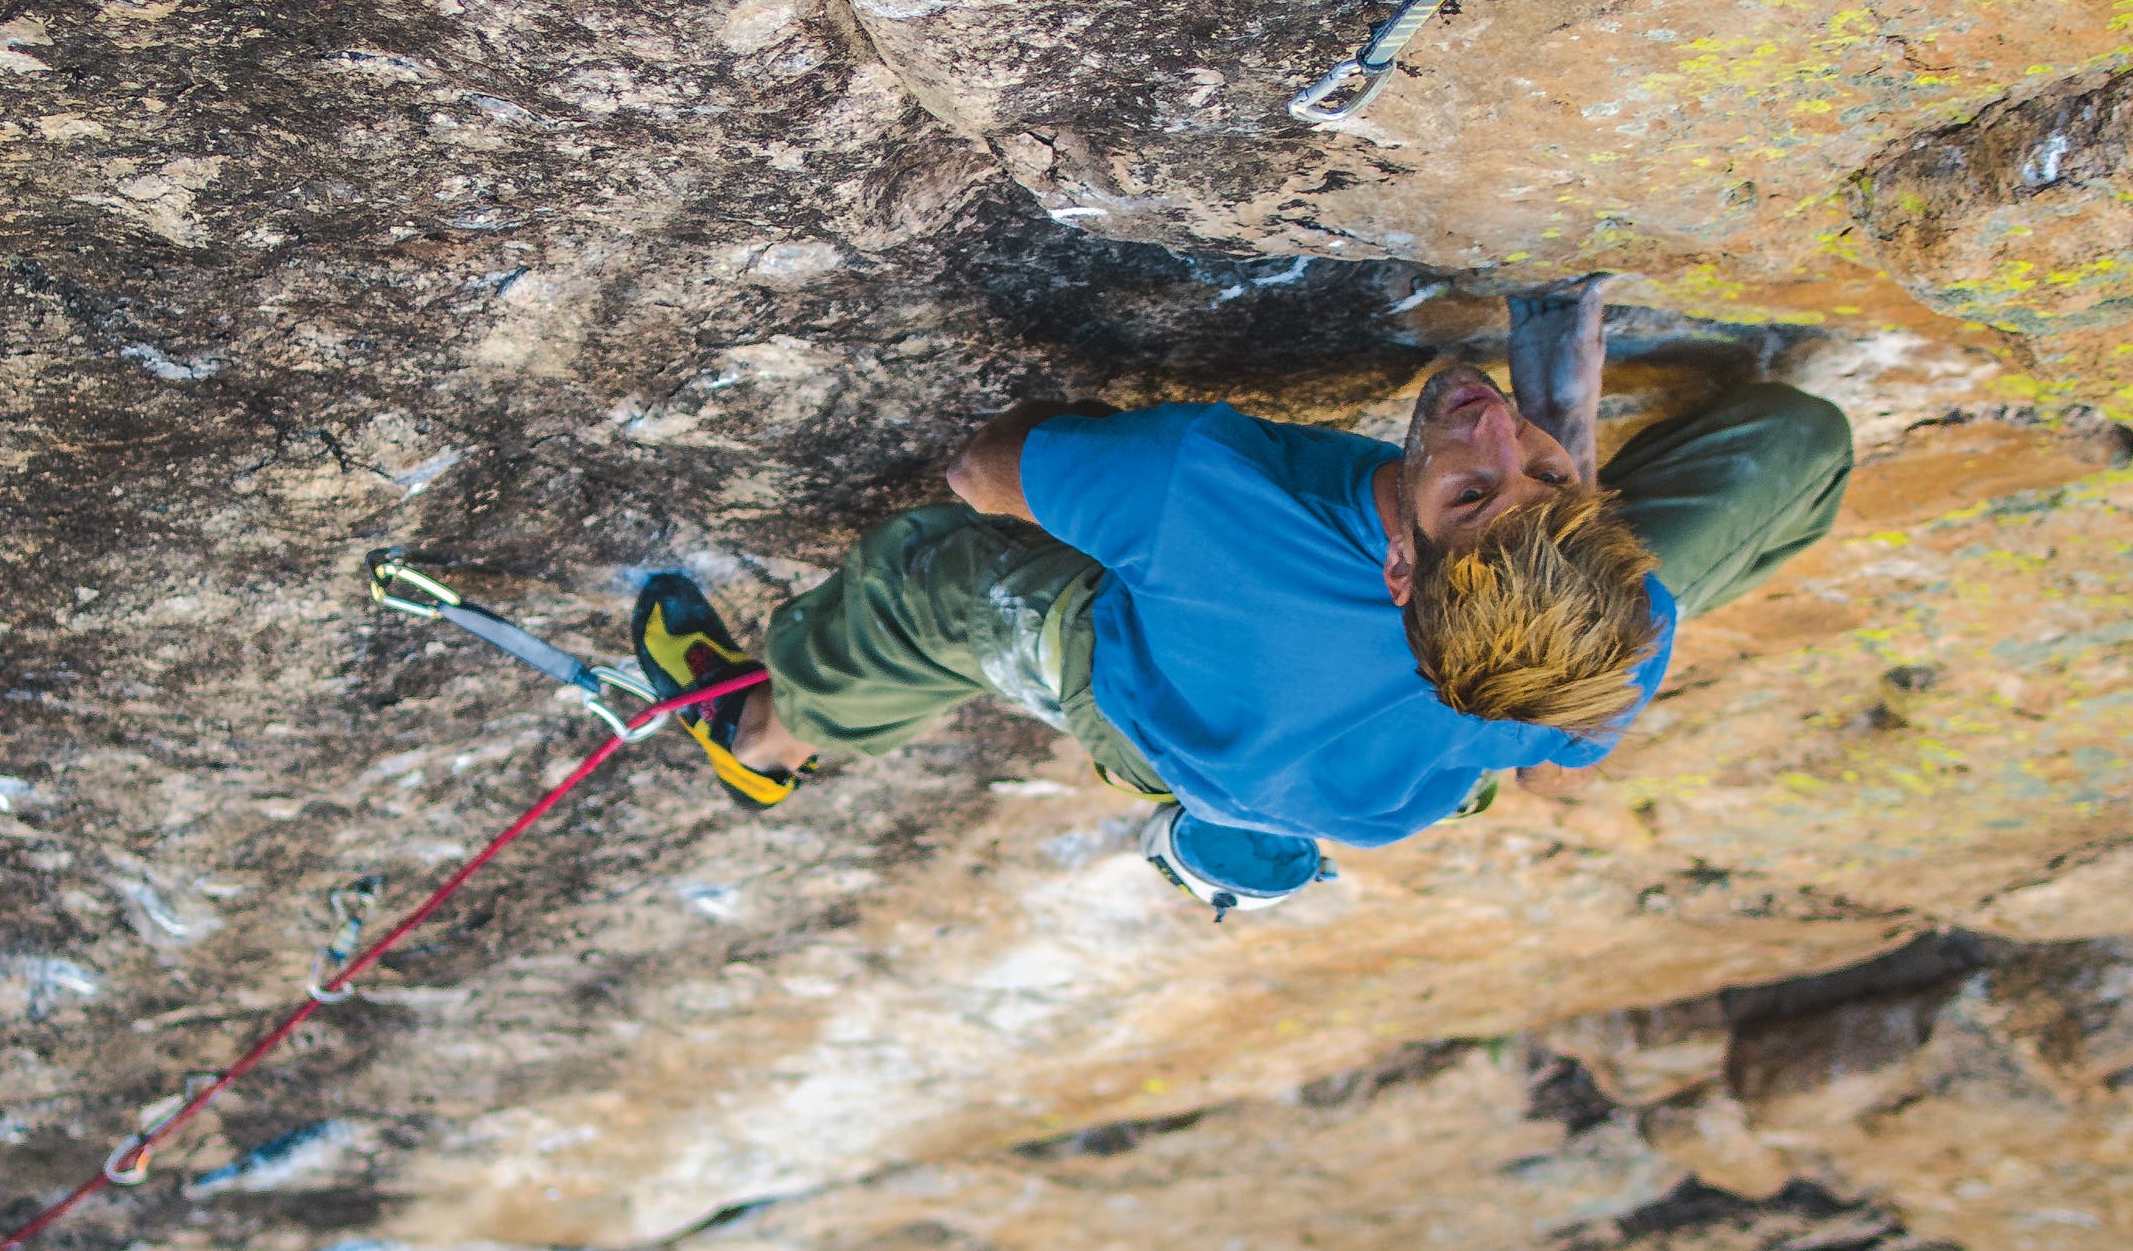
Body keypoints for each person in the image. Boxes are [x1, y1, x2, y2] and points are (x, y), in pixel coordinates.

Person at [630, 276, 1852, 899]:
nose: (1490, 426)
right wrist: (1542, 510)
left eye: (1469, 495)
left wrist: (1088, 464)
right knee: (1794, 443)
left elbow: (984, 472)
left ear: (1399, 566)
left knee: (935, 580)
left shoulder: (1203, 504)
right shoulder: (1608, 643)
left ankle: (760, 733)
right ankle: (1261, 827)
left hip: (1169, 717)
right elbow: (1555, 726)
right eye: (1532, 470)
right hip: (1393, 789)